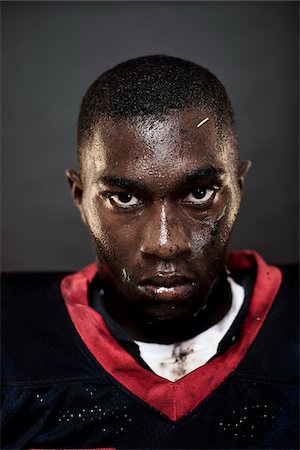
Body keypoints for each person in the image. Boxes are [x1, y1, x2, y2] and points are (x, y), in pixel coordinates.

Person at [2, 55, 298, 449]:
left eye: (198, 194)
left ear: (238, 188)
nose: (165, 243)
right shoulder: (12, 346)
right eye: (124, 198)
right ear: (79, 196)